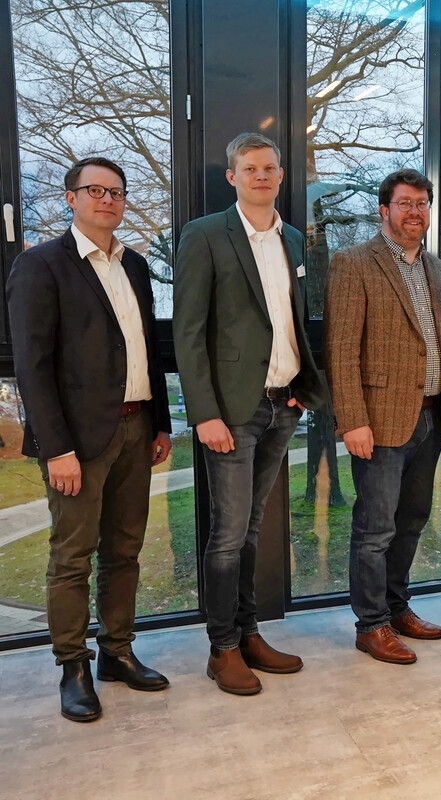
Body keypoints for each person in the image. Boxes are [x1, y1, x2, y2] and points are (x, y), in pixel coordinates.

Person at [7, 157, 173, 721]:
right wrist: (56, 448)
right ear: (70, 198)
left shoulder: (136, 266)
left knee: (125, 551)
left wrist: (160, 423)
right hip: (76, 441)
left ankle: (117, 653)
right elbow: (32, 366)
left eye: (116, 192)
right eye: (95, 190)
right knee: (72, 556)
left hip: (136, 428)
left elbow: (148, 348)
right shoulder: (41, 266)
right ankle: (73, 666)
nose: (107, 200)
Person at [173, 133, 327, 695]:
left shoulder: (294, 240)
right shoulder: (205, 235)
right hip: (231, 412)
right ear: (232, 177)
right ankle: (222, 649)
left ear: (281, 176)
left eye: (269, 168)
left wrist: (302, 388)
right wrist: (204, 414)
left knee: (252, 528)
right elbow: (188, 332)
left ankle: (249, 632)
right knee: (228, 533)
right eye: (250, 168)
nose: (261, 176)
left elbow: (297, 320)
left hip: (282, 403)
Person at [324, 168, 441, 665]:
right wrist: (352, 420)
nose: (415, 212)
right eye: (405, 203)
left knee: (411, 521)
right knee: (375, 529)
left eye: (422, 204)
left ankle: (396, 607)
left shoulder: (436, 268)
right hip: (379, 421)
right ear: (383, 210)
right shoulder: (353, 263)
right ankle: (371, 625)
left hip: (430, 417)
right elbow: (341, 350)